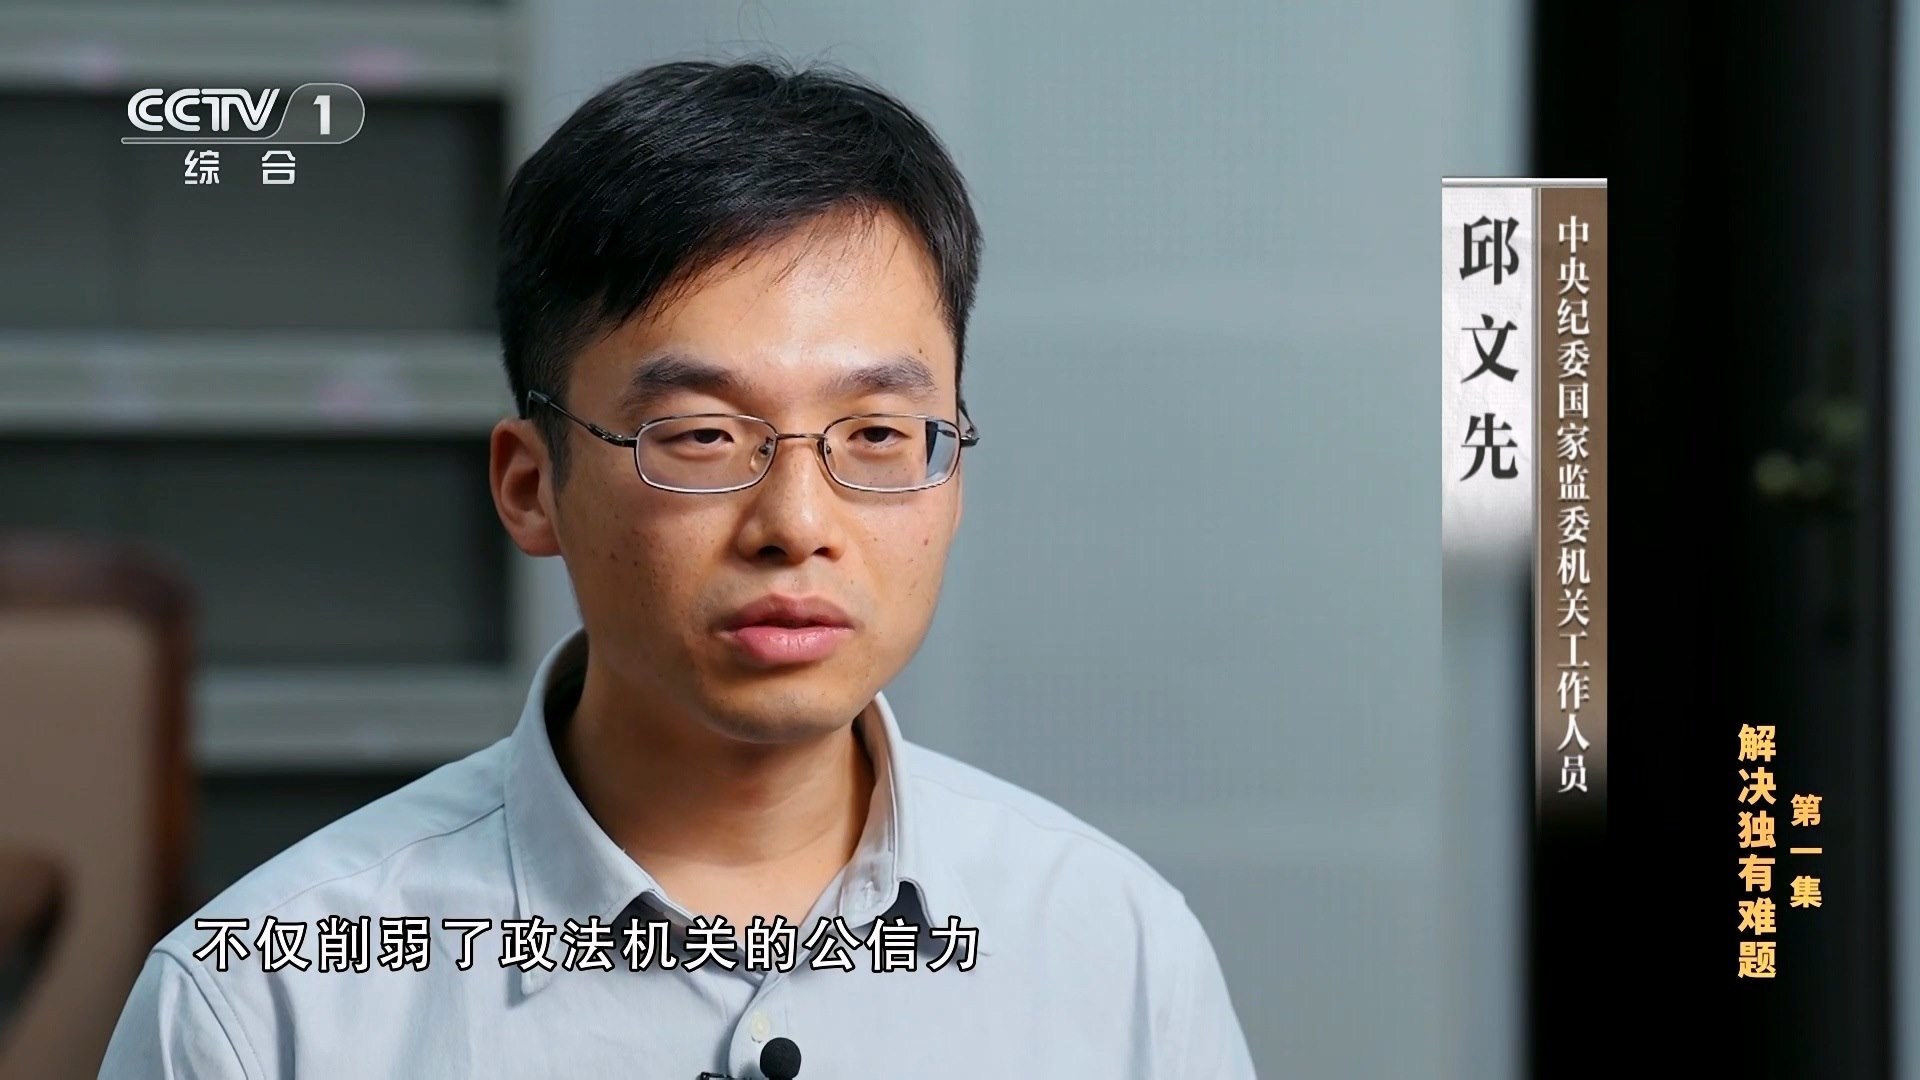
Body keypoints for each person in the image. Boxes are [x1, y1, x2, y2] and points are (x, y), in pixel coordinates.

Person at [100, 58, 1256, 1079]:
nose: (796, 523)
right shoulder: (267, 1006)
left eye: (877, 434)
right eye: (702, 435)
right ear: (530, 484)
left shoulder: (1114, 951)